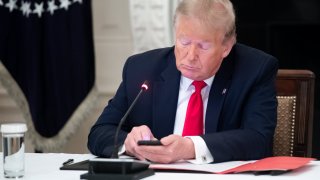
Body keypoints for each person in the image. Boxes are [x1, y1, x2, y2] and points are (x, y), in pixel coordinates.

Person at [87, 0, 278, 164]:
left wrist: (191, 147)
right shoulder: (141, 68)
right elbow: (100, 132)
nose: (191, 55)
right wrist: (128, 143)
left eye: (203, 46)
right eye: (184, 42)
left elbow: (258, 140)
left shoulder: (254, 69)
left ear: (226, 47)